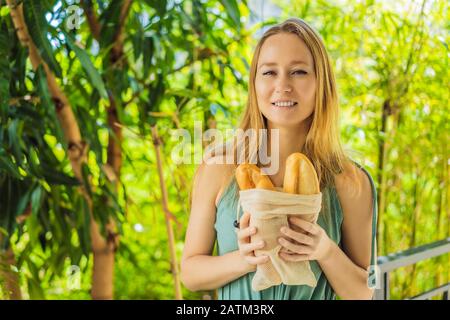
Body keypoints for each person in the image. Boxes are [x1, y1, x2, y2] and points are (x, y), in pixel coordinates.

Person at [180, 18, 378, 300]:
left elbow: (363, 293)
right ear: (255, 84)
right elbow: (190, 273)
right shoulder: (219, 168)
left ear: (321, 83)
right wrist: (246, 259)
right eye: (269, 72)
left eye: (298, 72)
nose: (282, 85)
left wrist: (324, 250)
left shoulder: (351, 181)